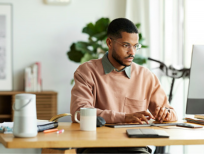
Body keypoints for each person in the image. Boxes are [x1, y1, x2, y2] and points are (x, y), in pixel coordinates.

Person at [71, 18, 177, 153]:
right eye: (126, 45)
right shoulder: (87, 71)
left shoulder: (146, 76)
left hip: (135, 147)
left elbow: (172, 113)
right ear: (109, 43)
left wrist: (165, 115)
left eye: (135, 46)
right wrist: (124, 117)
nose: (132, 52)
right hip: (96, 146)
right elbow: (79, 112)